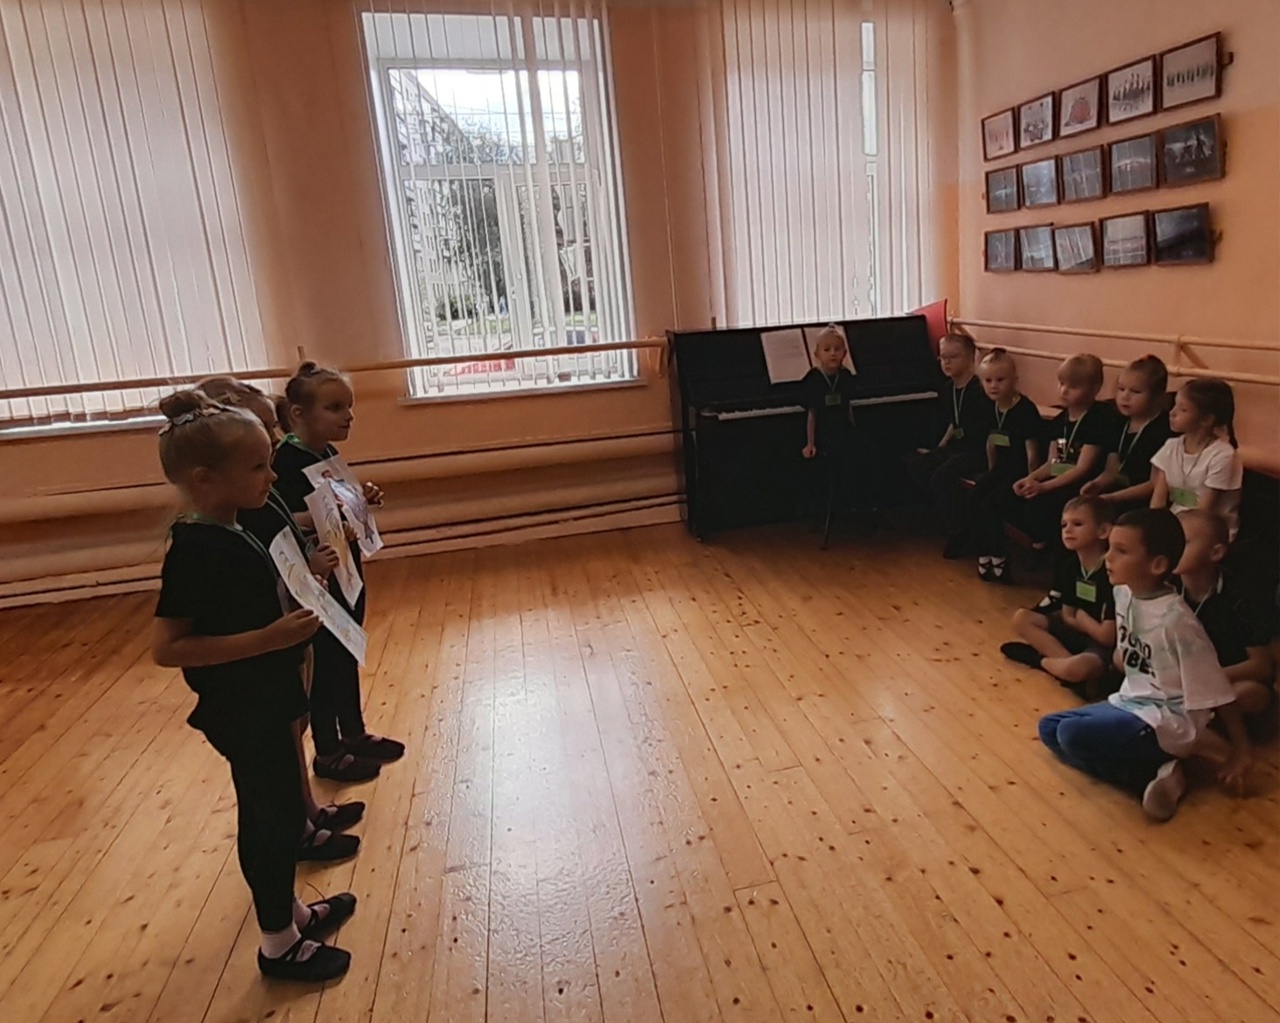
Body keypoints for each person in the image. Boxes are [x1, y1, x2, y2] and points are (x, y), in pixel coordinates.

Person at [151, 391, 355, 981]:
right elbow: (167, 647)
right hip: (243, 707)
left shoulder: (232, 526)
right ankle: (278, 945)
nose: (271, 476)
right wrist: (267, 639)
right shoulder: (195, 548)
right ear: (205, 479)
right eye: (259, 467)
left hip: (267, 695)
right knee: (269, 821)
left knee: (279, 810)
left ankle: (288, 914)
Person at [198, 376, 366, 855]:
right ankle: (297, 831)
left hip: (288, 630)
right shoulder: (222, 523)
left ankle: (307, 811)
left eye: (271, 430)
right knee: (270, 761)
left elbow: (286, 534)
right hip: (260, 655)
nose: (275, 442)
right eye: (265, 433)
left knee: (294, 729)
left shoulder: (261, 492)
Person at [1038, 508, 1251, 822]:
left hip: (1167, 719)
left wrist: (1241, 750)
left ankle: (1150, 773)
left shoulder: (1176, 621)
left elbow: (1217, 687)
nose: (1108, 558)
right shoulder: (1123, 593)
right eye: (1110, 547)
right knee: (1049, 729)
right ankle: (1159, 773)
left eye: (1121, 551)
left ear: (1158, 565)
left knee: (1070, 734)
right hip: (1132, 701)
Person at [272, 362, 404, 783]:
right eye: (334, 408)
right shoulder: (286, 461)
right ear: (298, 413)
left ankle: (354, 732)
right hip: (317, 575)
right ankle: (328, 750)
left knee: (346, 653)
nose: (348, 416)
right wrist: (324, 519)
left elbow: (333, 503)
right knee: (326, 664)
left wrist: (359, 499)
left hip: (346, 568)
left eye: (349, 407)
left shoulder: (326, 452)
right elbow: (282, 519)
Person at [1175, 509, 1276, 739]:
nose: (1174, 548)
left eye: (1185, 542)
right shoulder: (1167, 587)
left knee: (1247, 693)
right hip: (1185, 678)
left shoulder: (1239, 596)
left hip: (1230, 678)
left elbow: (1261, 666)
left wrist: (1205, 678)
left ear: (1216, 552)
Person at [1001, 497, 1116, 696]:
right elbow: (1067, 614)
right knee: (1021, 618)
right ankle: (1065, 667)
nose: (1068, 530)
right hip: (1075, 630)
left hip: (1099, 643)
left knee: (1081, 667)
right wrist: (1078, 621)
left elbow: (1107, 637)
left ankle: (1041, 661)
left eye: (1077, 524)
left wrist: (1083, 620)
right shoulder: (1069, 566)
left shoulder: (1112, 571)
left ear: (1103, 531)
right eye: (1064, 525)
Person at [1010, 354, 1111, 549]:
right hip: (1060, 477)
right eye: (1062, 383)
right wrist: (1030, 478)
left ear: (1094, 389)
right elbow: (1053, 462)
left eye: (1073, 387)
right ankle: (1038, 544)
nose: (1064, 391)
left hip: (1083, 484)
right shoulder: (1059, 421)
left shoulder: (1097, 421)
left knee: (1044, 505)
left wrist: (1044, 487)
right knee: (1017, 497)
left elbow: (1082, 468)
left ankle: (1051, 548)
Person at [906, 332, 994, 556]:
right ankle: (946, 518)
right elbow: (954, 424)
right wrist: (939, 448)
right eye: (942, 357)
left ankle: (961, 532)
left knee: (942, 476)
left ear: (970, 358)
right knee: (917, 463)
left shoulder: (979, 389)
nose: (946, 362)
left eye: (953, 357)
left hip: (977, 451)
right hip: (957, 448)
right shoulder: (948, 389)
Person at [967, 348, 1044, 582]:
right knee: (974, 498)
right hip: (1001, 470)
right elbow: (991, 442)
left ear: (1014, 379)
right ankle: (984, 551)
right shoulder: (990, 406)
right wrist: (990, 474)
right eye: (988, 380)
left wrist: (1032, 481)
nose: (994, 386)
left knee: (990, 505)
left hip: (1021, 473)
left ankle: (999, 556)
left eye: (1000, 380)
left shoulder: (1025, 410)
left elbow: (1032, 452)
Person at [1150, 378, 1243, 540]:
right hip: (1175, 525)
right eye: (1174, 405)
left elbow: (1204, 512)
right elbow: (1158, 500)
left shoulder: (1223, 455)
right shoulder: (1171, 446)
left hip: (1209, 532)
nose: (1172, 413)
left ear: (1206, 419)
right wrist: (1153, 527)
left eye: (1183, 409)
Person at [1080, 355, 1172, 514]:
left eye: (1135, 391)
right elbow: (1112, 470)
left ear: (1157, 396)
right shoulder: (1117, 422)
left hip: (1142, 501)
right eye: (1121, 389)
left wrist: (1113, 498)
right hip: (1116, 494)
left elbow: (1154, 484)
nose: (1125, 397)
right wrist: (1097, 484)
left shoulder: (1163, 430)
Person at [800, 325, 876, 518]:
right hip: (824, 433)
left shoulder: (845, 376)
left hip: (844, 429)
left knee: (867, 449)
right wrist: (810, 443)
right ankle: (834, 504)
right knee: (843, 454)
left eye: (837, 349)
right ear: (817, 354)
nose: (833, 353)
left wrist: (854, 429)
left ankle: (863, 505)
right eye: (827, 349)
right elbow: (812, 414)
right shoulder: (813, 379)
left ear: (845, 353)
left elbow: (848, 406)